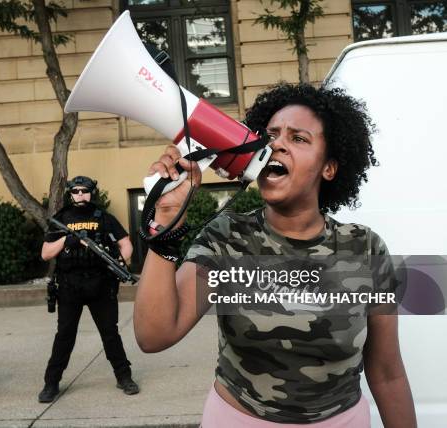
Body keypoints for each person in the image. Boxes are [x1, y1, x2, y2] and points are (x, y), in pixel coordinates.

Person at [134, 84, 417, 427]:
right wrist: (164, 225)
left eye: (299, 138)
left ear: (328, 167)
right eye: (270, 135)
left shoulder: (366, 248)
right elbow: (154, 335)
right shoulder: (227, 239)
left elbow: (387, 374)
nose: (277, 144)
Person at [38, 175, 139, 402]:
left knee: (110, 333)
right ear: (70, 194)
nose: (80, 195)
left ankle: (124, 377)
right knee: (65, 335)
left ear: (92, 192)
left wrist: (116, 263)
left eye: (84, 191)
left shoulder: (104, 218)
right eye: (76, 191)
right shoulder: (61, 218)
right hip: (69, 286)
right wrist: (66, 241)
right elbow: (45, 253)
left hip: (100, 284)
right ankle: (51, 383)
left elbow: (126, 244)